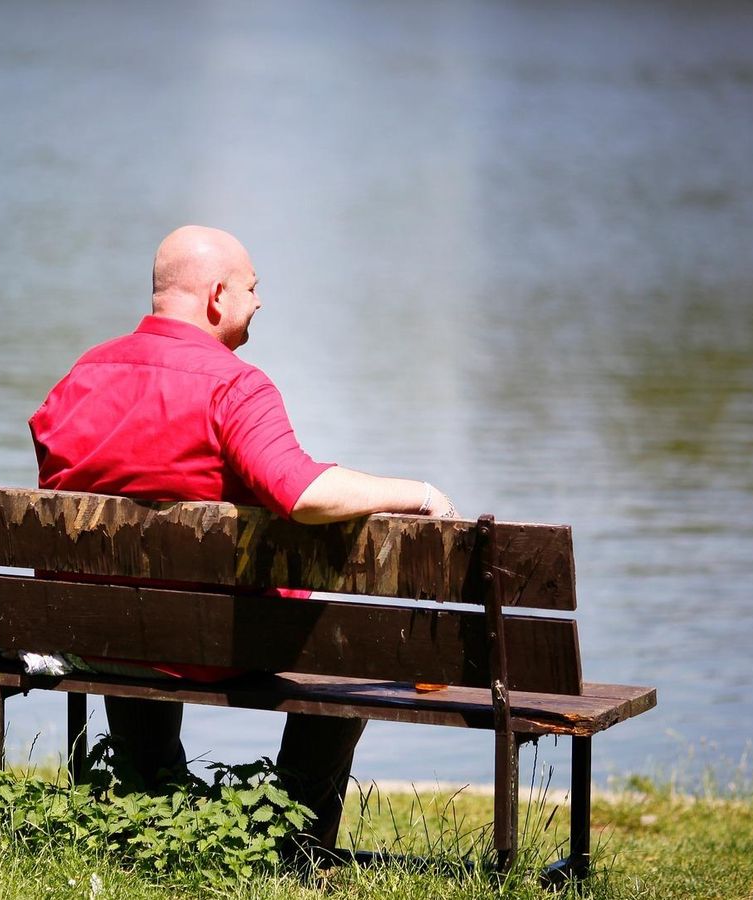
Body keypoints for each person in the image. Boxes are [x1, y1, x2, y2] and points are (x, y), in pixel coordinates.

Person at [28, 225, 458, 854]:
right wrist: (420, 494)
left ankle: (150, 812)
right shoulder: (234, 385)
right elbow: (301, 492)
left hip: (92, 634)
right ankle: (297, 841)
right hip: (213, 643)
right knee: (354, 646)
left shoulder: (82, 374)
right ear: (217, 296)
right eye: (254, 289)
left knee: (140, 608)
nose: (259, 303)